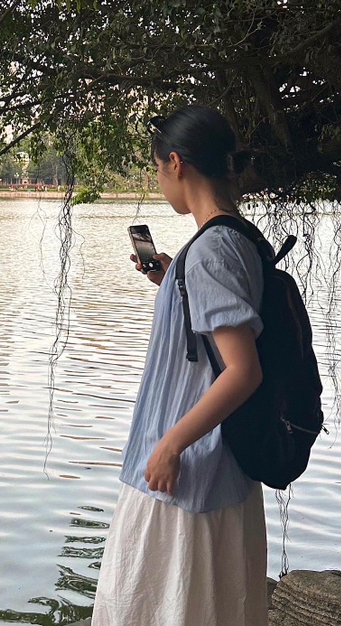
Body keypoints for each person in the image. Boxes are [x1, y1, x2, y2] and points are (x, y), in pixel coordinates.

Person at [91, 105, 268, 626]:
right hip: (219, 473)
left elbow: (243, 370)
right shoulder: (236, 239)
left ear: (176, 163)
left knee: (150, 606)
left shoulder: (211, 251)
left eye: (156, 168)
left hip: (186, 478)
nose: (159, 180)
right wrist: (175, 280)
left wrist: (170, 445)